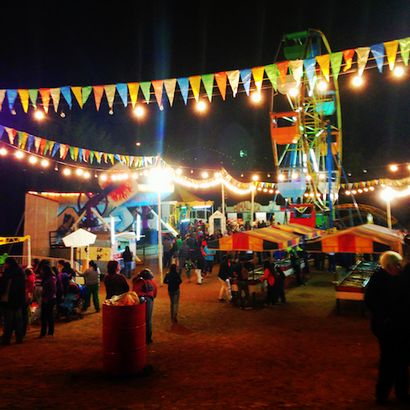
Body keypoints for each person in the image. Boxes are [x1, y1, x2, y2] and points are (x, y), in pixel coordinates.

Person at [364, 251, 409, 405]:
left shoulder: (386, 279)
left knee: (400, 363)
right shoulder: (382, 281)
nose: (400, 268)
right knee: (390, 363)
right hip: (389, 329)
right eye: (398, 265)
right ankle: (383, 395)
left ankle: (399, 393)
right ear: (390, 266)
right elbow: (374, 303)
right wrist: (385, 319)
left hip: (394, 328)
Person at [0, 257, 26, 345]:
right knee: (18, 320)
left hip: (8, 300)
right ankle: (19, 337)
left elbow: (3, 286)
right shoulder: (21, 272)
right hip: (19, 300)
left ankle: (6, 338)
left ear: (8, 264)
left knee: (8, 321)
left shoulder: (8, 273)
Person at [132, 268, 157, 344]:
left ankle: (138, 337)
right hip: (149, 300)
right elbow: (155, 294)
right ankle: (148, 339)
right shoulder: (152, 283)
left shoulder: (137, 282)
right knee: (148, 320)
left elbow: (134, 292)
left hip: (139, 300)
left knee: (138, 320)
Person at [40, 263, 57, 337]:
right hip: (48, 298)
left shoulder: (50, 279)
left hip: (49, 299)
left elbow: (53, 290)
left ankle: (48, 331)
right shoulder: (49, 278)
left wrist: (47, 298)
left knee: (47, 316)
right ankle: (47, 331)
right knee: (46, 316)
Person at [22, 266, 35, 336]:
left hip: (26, 297)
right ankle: (27, 325)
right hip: (28, 296)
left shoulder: (27, 280)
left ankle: (26, 326)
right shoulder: (31, 278)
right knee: (27, 311)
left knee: (25, 312)